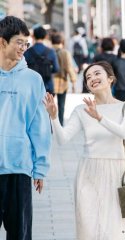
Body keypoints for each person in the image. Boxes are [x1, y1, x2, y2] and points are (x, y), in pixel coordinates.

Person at [44, 61, 125, 240]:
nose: (92, 78)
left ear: (110, 78)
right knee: (87, 228)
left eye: (97, 74)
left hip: (116, 172)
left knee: (114, 230)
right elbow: (63, 139)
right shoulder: (81, 110)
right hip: (88, 172)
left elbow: (124, 132)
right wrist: (54, 117)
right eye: (88, 77)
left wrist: (99, 117)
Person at [0, 16, 51, 239]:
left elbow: (39, 126)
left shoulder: (33, 80)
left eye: (25, 43)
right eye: (18, 42)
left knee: (20, 233)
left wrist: (39, 167)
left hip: (18, 167)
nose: (23, 48)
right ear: (2, 42)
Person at [51, 33, 77, 126]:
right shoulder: (65, 53)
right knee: (61, 106)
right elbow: (69, 68)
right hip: (62, 83)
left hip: (51, 83)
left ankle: (49, 124)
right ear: (61, 42)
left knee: (48, 105)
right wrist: (73, 83)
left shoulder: (49, 51)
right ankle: (60, 124)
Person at [24, 26, 59, 95]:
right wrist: (47, 70)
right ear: (45, 36)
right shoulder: (51, 51)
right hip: (47, 86)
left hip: (31, 86)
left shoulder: (27, 52)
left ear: (33, 36)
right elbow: (56, 69)